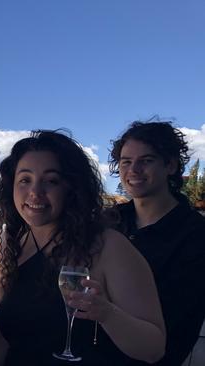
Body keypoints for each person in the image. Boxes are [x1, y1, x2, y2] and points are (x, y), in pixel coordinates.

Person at [0, 130, 165, 365]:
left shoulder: (107, 247)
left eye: (51, 180)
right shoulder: (11, 243)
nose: (35, 192)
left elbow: (153, 348)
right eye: (25, 180)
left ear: (71, 188)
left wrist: (106, 313)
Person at [108, 121, 205, 365]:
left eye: (146, 160)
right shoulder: (110, 221)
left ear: (170, 165)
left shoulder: (195, 233)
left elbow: (177, 313)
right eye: (126, 162)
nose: (134, 170)